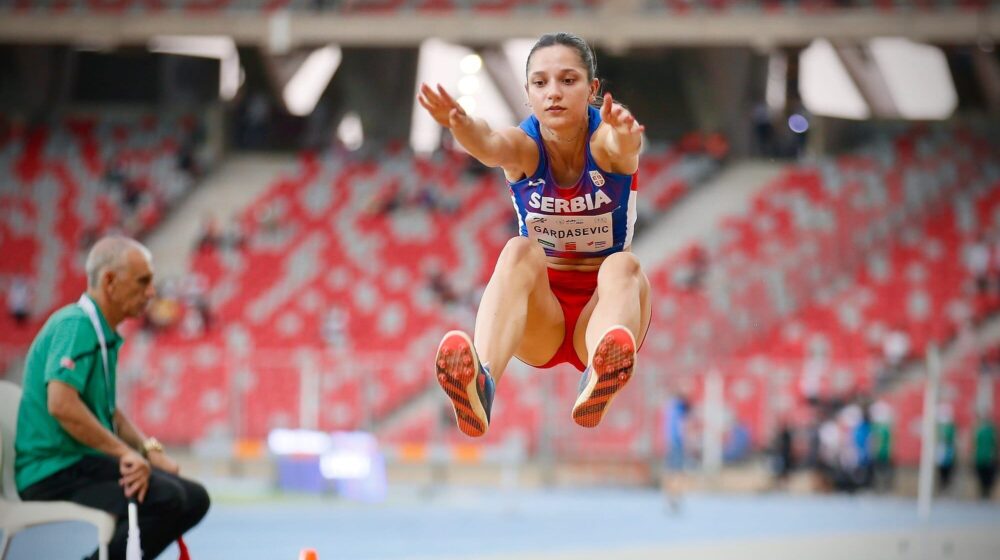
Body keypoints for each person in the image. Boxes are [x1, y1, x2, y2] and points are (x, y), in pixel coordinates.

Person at [418, 32, 651, 436]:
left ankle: (600, 373)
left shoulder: (605, 143)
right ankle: (482, 380)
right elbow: (489, 145)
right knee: (518, 250)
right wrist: (460, 123)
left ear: (592, 89)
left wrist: (628, 133)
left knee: (623, 264)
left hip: (603, 314)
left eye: (568, 80)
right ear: (528, 93)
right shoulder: (525, 148)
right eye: (541, 83)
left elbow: (624, 146)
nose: (554, 93)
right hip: (541, 319)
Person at [14, 236, 210, 560]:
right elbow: (61, 405)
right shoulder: (75, 324)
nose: (151, 292)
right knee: (169, 499)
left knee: (195, 498)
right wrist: (124, 453)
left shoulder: (100, 332)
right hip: (52, 469)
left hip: (79, 463)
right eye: (143, 281)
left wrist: (148, 450)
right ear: (109, 282)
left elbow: (109, 412)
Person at [972, 412, 997, 500]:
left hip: (987, 457)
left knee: (987, 476)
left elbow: (994, 445)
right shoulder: (979, 431)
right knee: (983, 475)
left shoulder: (991, 432)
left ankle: (986, 492)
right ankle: (984, 492)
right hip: (981, 457)